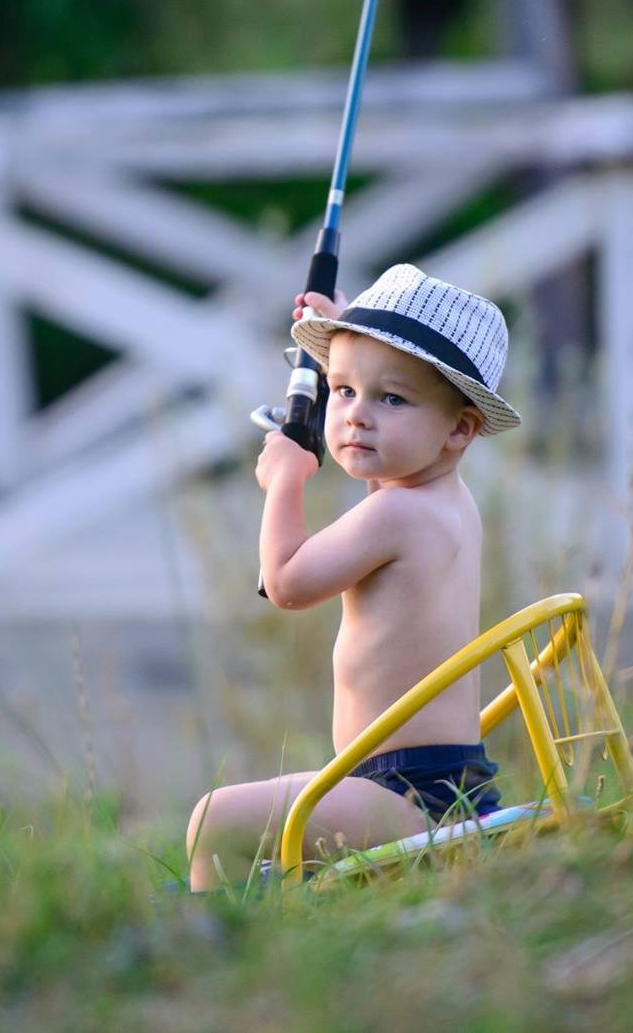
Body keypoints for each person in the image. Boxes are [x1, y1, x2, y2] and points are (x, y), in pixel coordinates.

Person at [185, 263, 523, 891]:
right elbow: (384, 467)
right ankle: (256, 910)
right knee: (255, 829)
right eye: (341, 391)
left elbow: (284, 582)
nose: (356, 416)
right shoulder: (438, 499)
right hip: (431, 779)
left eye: (390, 398)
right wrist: (346, 326)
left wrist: (285, 477)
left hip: (406, 795)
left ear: (459, 429)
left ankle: (215, 935)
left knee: (214, 820)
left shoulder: (395, 512)